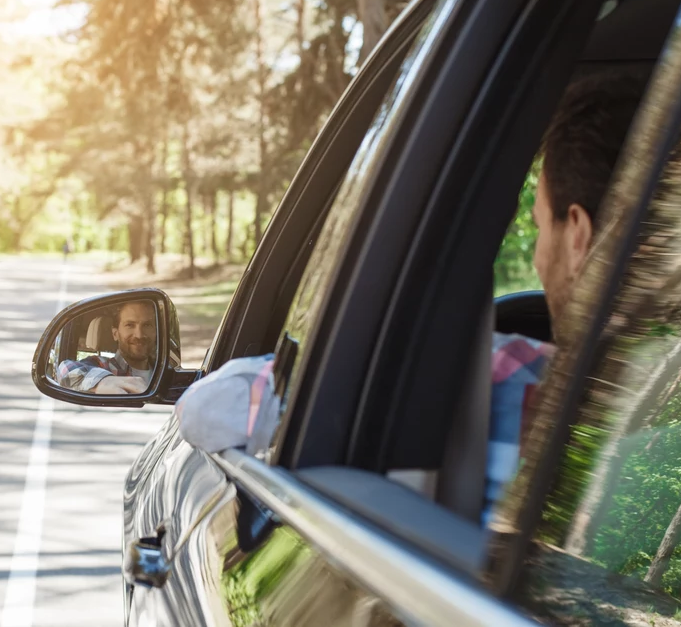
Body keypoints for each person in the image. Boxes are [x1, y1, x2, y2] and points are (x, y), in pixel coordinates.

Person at [175, 71, 647, 522]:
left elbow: (206, 408)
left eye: (543, 225)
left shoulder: (498, 383)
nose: (541, 257)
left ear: (578, 234)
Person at [56, 300, 157, 394]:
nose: (139, 335)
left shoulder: (166, 371)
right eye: (130, 325)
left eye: (147, 325)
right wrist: (104, 381)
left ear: (156, 332)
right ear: (115, 334)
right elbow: (65, 370)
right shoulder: (101, 365)